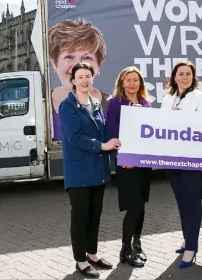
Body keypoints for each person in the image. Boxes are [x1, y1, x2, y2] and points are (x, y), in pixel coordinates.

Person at [59, 62, 121, 278]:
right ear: (73, 80)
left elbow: (103, 134)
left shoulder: (96, 103)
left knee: (95, 215)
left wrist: (112, 144)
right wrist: (101, 146)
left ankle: (93, 254)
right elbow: (74, 138)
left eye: (88, 76)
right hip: (79, 173)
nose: (85, 80)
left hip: (97, 171)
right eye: (80, 77)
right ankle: (81, 260)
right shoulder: (67, 106)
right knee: (81, 217)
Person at [160, 60, 202, 268]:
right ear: (174, 76)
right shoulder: (167, 98)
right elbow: (160, 125)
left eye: (188, 74)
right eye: (181, 74)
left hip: (193, 159)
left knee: (192, 203)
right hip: (172, 159)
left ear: (193, 77)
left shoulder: (200, 97)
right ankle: (187, 239)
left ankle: (192, 248)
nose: (184, 77)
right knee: (181, 202)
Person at [105, 66, 152, 268]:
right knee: (134, 207)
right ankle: (125, 251)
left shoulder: (146, 104)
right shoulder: (115, 104)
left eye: (136, 80)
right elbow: (111, 132)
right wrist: (123, 155)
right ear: (121, 83)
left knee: (141, 206)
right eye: (128, 80)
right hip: (127, 163)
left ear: (140, 84)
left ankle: (137, 243)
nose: (132, 84)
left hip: (144, 164)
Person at [48, 19, 109, 140]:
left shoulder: (113, 104)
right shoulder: (42, 104)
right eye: (69, 57)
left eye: (86, 57)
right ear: (55, 63)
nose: (78, 66)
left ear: (99, 64)